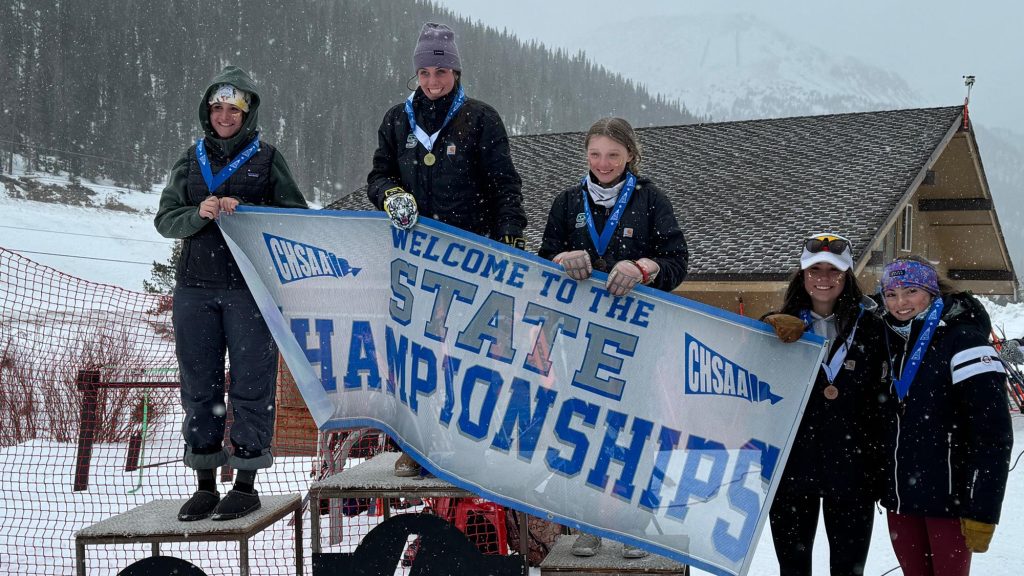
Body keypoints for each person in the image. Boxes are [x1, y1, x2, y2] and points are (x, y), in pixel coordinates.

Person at [367, 22, 528, 477]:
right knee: (418, 354)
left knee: (469, 354)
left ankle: (471, 444)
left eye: (441, 71)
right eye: (425, 72)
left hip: (471, 260)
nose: (433, 81)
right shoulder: (397, 120)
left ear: (455, 71)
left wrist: (511, 238)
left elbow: (504, 185)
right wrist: (391, 195)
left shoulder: (480, 117)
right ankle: (417, 444)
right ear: (416, 73)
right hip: (415, 258)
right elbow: (378, 176)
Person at [154, 65, 308, 521]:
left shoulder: (267, 158)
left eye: (233, 109)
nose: (224, 116)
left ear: (247, 112)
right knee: (199, 387)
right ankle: (204, 484)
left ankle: (245, 483)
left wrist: (251, 211)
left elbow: (294, 218)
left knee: (251, 385)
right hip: (194, 289)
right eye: (217, 108)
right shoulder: (190, 158)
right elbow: (166, 220)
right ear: (208, 111)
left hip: (249, 289)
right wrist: (197, 214)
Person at [538, 117, 688, 558]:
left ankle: (633, 527)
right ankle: (588, 526)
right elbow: (542, 257)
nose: (603, 163)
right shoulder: (568, 203)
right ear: (586, 155)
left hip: (638, 341)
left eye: (613, 155)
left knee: (636, 434)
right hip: (580, 343)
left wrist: (644, 268)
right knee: (584, 428)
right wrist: (561, 258)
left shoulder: (650, 200)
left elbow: (677, 261)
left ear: (630, 157)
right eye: (595, 154)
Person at [876, 256, 1012, 576]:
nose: (901, 302)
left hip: (949, 502)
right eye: (891, 294)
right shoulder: (888, 340)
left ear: (932, 291)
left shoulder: (963, 339)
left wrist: (983, 509)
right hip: (901, 501)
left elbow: (993, 432)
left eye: (911, 291)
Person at [761, 233, 887, 576]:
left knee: (848, 569)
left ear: (846, 277)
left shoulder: (874, 329)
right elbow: (754, 388)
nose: (824, 279)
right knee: (793, 568)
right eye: (814, 270)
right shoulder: (776, 328)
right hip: (791, 469)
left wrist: (878, 466)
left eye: (834, 271)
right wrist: (761, 333)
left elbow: (883, 405)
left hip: (853, 471)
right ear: (802, 276)